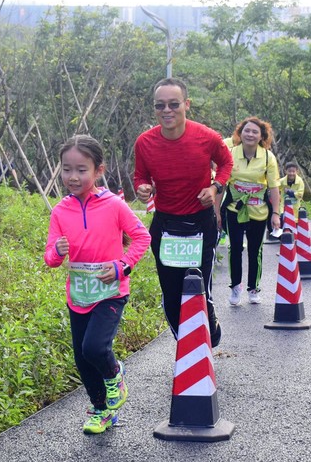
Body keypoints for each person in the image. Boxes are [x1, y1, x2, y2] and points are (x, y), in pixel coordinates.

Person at [44, 135, 151, 434]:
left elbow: (142, 237)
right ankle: (101, 410)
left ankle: (115, 374)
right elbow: (50, 258)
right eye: (67, 169)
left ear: (98, 170)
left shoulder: (114, 205)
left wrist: (122, 267)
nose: (73, 177)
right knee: (82, 357)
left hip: (111, 292)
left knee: (94, 347)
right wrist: (58, 252)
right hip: (79, 295)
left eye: (81, 170)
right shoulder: (60, 211)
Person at [133, 78, 233, 347]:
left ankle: (207, 334)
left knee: (198, 290)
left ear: (186, 104)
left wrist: (215, 188)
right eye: (160, 105)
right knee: (172, 295)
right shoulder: (144, 142)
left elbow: (226, 163)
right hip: (166, 226)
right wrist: (142, 188)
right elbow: (140, 175)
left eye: (174, 104)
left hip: (200, 224)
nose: (167, 110)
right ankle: (187, 349)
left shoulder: (207, 137)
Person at [223, 117, 281, 305]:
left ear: (262, 136)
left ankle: (253, 288)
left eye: (255, 132)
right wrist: (216, 212)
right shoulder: (230, 154)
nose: (250, 134)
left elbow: (274, 187)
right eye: (246, 131)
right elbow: (221, 184)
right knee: (235, 248)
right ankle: (235, 287)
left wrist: (276, 213)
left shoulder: (268, 157)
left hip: (259, 211)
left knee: (255, 250)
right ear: (240, 134)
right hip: (234, 209)